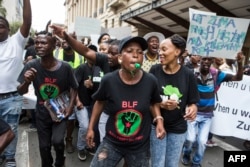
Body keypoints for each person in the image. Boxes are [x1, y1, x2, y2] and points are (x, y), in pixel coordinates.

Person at [85, 36, 165, 167]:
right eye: (130, 51)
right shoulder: (109, 80)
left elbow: (154, 102)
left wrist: (159, 120)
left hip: (139, 146)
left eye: (140, 53)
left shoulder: (151, 81)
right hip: (112, 142)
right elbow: (100, 102)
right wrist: (90, 128)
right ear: (120, 58)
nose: (136, 55)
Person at [17, 31, 78, 167]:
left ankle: (60, 160)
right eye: (37, 43)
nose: (39, 46)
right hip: (42, 112)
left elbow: (74, 87)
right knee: (44, 147)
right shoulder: (31, 65)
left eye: (43, 43)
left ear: (54, 45)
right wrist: (27, 81)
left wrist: (70, 106)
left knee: (57, 142)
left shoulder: (66, 67)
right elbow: (21, 91)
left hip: (60, 111)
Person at [182, 52, 245, 167]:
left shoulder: (217, 74)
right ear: (200, 60)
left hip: (207, 115)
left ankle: (196, 162)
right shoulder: (192, 73)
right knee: (190, 139)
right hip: (192, 113)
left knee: (202, 142)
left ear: (212, 61)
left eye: (209, 59)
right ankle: (186, 154)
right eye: (204, 59)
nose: (206, 61)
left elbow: (238, 78)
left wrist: (240, 63)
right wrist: (181, 56)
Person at [149, 34, 199, 167]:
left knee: (171, 164)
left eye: (164, 49)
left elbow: (192, 102)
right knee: (157, 164)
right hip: (157, 125)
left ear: (177, 52)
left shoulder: (188, 74)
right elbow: (149, 100)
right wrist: (161, 106)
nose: (160, 53)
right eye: (159, 49)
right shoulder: (154, 70)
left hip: (178, 127)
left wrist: (192, 109)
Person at [0, 0, 31, 166]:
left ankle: (10, 159)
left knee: (11, 130)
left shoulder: (16, 41)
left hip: (11, 98)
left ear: (8, 29)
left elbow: (27, 22)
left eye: (1, 25)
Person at [54, 32, 84, 153]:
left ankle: (69, 140)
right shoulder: (55, 53)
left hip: (74, 92)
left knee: (70, 119)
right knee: (56, 119)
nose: (65, 40)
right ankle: (57, 140)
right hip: (57, 93)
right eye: (63, 38)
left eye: (69, 38)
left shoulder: (81, 56)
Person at [74, 57, 104, 160]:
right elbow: (73, 87)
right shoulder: (81, 68)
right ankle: (81, 148)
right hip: (81, 103)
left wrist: (91, 86)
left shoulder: (98, 68)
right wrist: (77, 101)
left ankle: (88, 145)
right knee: (84, 126)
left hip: (93, 104)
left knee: (93, 127)